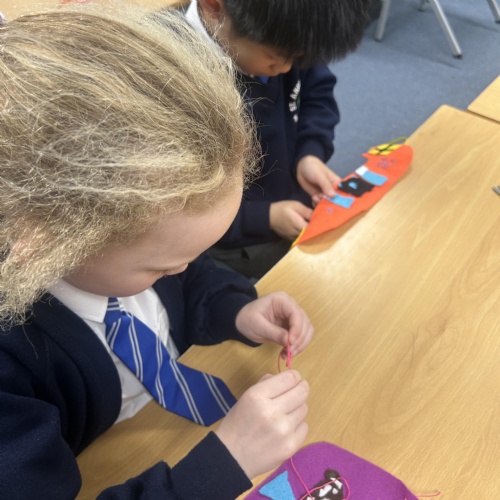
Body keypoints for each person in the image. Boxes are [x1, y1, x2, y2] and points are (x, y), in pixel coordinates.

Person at [0, 6, 313, 499]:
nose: (182, 269)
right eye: (161, 267)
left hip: (163, 421)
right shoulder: (12, 367)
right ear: (50, 242)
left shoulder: (134, 240)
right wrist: (220, 467)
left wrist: (235, 310)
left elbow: (190, 277)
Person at [183, 0, 370, 280]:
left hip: (292, 200)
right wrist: (265, 217)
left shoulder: (288, 32)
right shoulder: (179, 89)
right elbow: (184, 212)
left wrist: (310, 153)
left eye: (300, 58)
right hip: (235, 237)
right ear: (214, 8)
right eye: (276, 57)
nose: (287, 69)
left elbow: (317, 95)